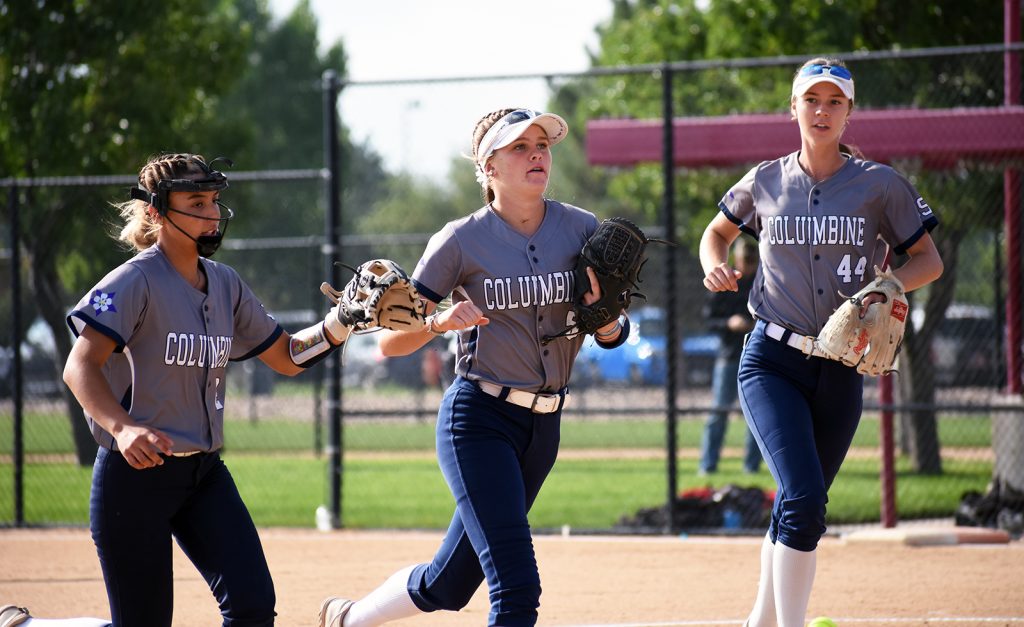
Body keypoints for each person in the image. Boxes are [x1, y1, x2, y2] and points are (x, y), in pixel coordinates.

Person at [317, 108, 629, 627]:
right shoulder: (459, 240)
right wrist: (438, 323)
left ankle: (347, 620)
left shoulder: (582, 229)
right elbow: (391, 343)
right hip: (478, 420)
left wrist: (608, 322)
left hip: (544, 426)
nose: (536, 153)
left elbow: (614, 333)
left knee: (451, 582)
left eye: (541, 145)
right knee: (516, 587)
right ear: (488, 168)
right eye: (519, 147)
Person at [62, 153, 356, 627]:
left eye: (214, 200)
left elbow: (287, 356)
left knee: (253, 606)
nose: (211, 213)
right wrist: (122, 427)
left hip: (203, 475)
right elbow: (79, 367)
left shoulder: (225, 284)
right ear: (155, 211)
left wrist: (341, 323)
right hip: (134, 478)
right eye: (195, 201)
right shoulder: (134, 280)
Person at [699, 58, 943, 626]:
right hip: (772, 360)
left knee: (799, 506)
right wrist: (714, 263)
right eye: (812, 99)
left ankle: (759, 621)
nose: (822, 110)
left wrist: (887, 285)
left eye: (835, 101)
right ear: (793, 108)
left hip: (840, 363)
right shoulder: (763, 180)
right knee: (804, 498)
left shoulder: (879, 184)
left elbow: (928, 259)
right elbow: (717, 232)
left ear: (850, 112)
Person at [698, 237, 762, 476]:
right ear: (736, 258)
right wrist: (729, 323)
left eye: (753, 261)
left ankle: (752, 466)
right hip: (729, 355)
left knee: (757, 414)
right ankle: (708, 465)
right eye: (746, 260)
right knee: (719, 411)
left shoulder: (761, 282)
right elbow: (708, 320)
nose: (749, 264)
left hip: (756, 355)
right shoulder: (725, 281)